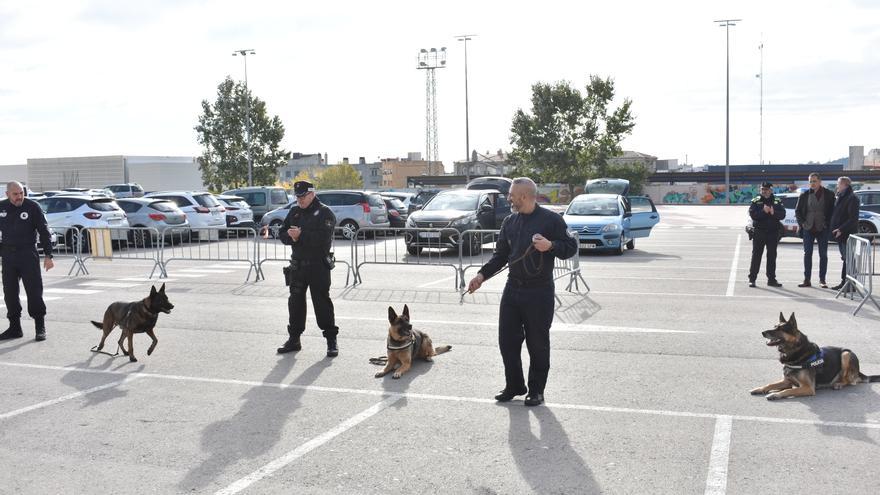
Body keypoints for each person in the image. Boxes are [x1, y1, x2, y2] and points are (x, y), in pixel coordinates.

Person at [466, 177, 577, 406]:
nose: (508, 198)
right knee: (507, 341)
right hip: (513, 289)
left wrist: (551, 246)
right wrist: (481, 276)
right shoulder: (509, 222)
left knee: (537, 344)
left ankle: (536, 390)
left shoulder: (551, 220)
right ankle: (515, 385)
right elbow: (500, 256)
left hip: (539, 292)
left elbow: (570, 247)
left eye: (511, 195)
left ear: (524, 196)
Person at [276, 180, 340, 357]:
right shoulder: (294, 212)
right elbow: (282, 233)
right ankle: (294, 339)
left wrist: (300, 236)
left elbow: (323, 237)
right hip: (298, 266)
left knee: (322, 303)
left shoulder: (325, 212)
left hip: (318, 265)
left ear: (312, 194)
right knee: (295, 303)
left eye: (303, 196)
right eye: (297, 196)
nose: (300, 200)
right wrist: (291, 238)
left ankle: (331, 340)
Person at [0, 181, 54, 341]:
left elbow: (44, 231)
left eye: (21, 193)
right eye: (15, 194)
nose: (19, 197)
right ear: (7, 194)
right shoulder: (1, 208)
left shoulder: (32, 207)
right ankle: (15, 328)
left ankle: (40, 327)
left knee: (34, 291)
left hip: (27, 254)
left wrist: (48, 255)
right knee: (9, 293)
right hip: (8, 256)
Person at [794, 173, 835, 288]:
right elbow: (798, 211)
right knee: (807, 254)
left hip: (823, 228)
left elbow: (832, 211)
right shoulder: (804, 195)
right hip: (808, 228)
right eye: (810, 181)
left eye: (814, 181)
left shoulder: (829, 194)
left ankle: (822, 280)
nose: (812, 183)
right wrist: (802, 223)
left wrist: (827, 224)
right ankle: (807, 279)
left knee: (823, 255)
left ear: (820, 181)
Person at [747, 182, 786, 288]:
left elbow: (782, 215)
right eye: (762, 189)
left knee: (772, 257)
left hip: (773, 233)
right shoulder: (756, 201)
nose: (764, 191)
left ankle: (771, 279)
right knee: (756, 256)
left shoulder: (777, 201)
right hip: (759, 232)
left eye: (767, 189)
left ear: (771, 190)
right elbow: (753, 215)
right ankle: (752, 279)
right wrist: (763, 211)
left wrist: (774, 213)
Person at [829, 176, 860, 291]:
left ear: (845, 185)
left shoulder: (852, 198)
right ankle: (846, 283)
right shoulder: (841, 197)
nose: (837, 186)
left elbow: (853, 219)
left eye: (839, 184)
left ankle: (849, 284)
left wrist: (841, 229)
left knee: (849, 259)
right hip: (841, 235)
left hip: (847, 235)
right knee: (846, 259)